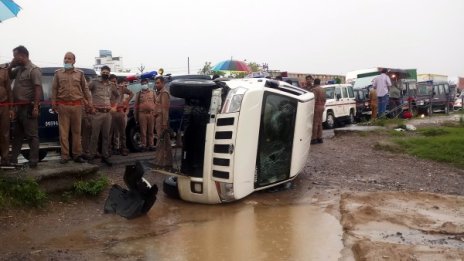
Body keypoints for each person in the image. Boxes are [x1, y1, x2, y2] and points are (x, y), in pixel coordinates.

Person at [51, 52, 92, 164]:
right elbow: (54, 89)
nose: (67, 60)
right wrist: (53, 103)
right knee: (63, 133)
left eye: (69, 58)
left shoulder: (79, 74)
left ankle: (77, 155)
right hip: (63, 106)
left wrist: (90, 103)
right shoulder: (58, 74)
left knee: (77, 132)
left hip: (77, 106)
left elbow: (85, 89)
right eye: (65, 58)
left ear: (74, 61)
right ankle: (65, 156)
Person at [7, 45, 43, 168]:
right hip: (18, 108)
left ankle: (33, 161)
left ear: (22, 55)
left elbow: (38, 89)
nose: (15, 59)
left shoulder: (34, 70)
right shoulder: (19, 69)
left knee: (32, 136)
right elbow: (8, 76)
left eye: (15, 57)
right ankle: (13, 159)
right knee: (17, 135)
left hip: (28, 107)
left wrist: (36, 107)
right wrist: (11, 64)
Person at [88, 66, 119, 166]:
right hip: (97, 113)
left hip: (107, 113)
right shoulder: (94, 82)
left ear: (109, 74)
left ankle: (104, 156)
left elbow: (117, 95)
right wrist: (90, 106)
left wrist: (115, 106)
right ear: (100, 72)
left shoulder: (111, 84)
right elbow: (86, 92)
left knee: (106, 136)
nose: (105, 73)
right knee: (94, 136)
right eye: (103, 72)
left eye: (107, 72)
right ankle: (91, 156)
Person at [111, 78, 133, 156]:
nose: (114, 83)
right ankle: (114, 148)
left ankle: (123, 148)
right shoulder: (109, 88)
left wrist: (127, 101)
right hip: (112, 112)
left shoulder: (122, 88)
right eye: (113, 81)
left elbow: (131, 93)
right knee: (113, 132)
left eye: (115, 81)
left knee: (122, 132)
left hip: (120, 111)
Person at [153, 76, 172, 168]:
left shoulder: (164, 93)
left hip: (162, 119)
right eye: (155, 83)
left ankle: (159, 162)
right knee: (166, 141)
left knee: (161, 141)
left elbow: (165, 109)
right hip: (159, 118)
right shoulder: (159, 93)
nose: (156, 84)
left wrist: (164, 123)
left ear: (163, 83)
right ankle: (168, 162)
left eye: (158, 83)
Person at [134, 78, 156, 151]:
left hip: (151, 114)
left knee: (151, 131)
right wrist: (136, 117)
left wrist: (156, 114)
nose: (144, 85)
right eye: (143, 84)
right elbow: (136, 106)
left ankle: (151, 145)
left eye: (145, 83)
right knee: (143, 131)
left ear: (148, 84)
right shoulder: (138, 94)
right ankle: (144, 145)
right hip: (142, 114)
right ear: (141, 85)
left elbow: (156, 103)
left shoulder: (152, 92)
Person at [0, 63, 13, 166]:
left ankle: (5, 159)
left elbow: (9, 90)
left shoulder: (4, 71)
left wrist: (11, 108)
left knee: (5, 134)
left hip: (4, 106)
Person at [310, 78, 326, 144]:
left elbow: (314, 99)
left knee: (315, 123)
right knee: (320, 123)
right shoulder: (323, 89)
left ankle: (314, 138)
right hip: (322, 106)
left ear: (314, 83)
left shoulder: (314, 89)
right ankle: (320, 138)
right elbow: (325, 99)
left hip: (316, 107)